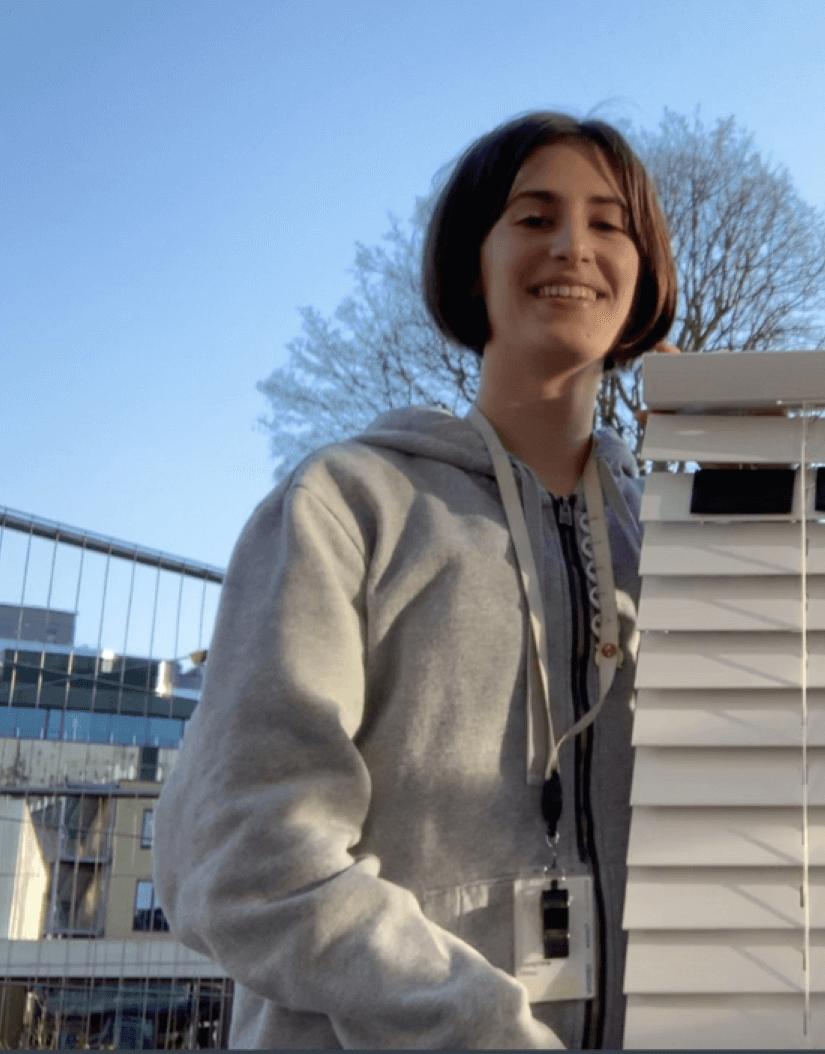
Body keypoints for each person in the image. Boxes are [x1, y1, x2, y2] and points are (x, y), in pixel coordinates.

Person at [154, 112, 677, 1048]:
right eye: (532, 216)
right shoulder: (344, 505)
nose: (572, 245)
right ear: (469, 259)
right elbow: (244, 858)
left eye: (609, 222)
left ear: (645, 273)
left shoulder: (673, 540)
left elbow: (810, 749)